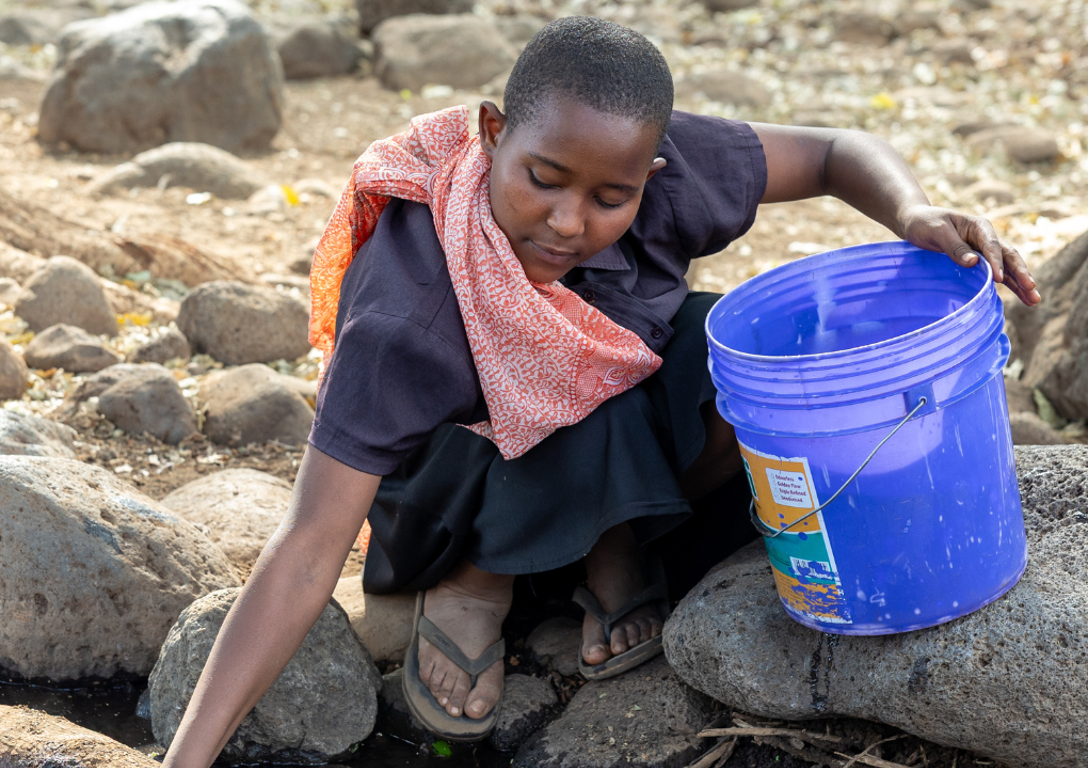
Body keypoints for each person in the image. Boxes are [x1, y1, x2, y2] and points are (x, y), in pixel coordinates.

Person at [160, 16, 1040, 765]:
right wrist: (188, 757)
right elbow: (311, 545)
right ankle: (478, 584)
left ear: (652, 175)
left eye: (611, 197)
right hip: (451, 493)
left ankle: (614, 546)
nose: (571, 221)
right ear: (494, 132)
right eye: (543, 180)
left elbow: (839, 149)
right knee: (584, 380)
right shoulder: (410, 315)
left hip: (608, 441)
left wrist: (914, 214)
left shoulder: (657, 170)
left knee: (717, 343)